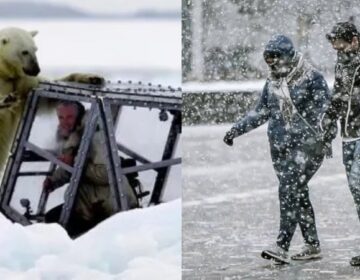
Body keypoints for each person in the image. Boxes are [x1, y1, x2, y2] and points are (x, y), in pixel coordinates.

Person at [223, 35, 336, 264]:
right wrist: (236, 130)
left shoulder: (312, 77)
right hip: (280, 148)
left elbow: (327, 112)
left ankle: (282, 246)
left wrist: (321, 136)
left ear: (289, 56)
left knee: (288, 191)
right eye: (268, 58)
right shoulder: (272, 82)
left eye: (276, 57)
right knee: (297, 192)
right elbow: (261, 112)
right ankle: (312, 245)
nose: (272, 63)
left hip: (307, 147)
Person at [43, 101, 138, 237]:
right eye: (61, 117)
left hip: (110, 206)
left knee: (58, 229)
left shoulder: (96, 136)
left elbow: (105, 174)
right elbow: (72, 169)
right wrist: (53, 181)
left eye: (69, 117)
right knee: (52, 221)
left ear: (79, 116)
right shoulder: (75, 136)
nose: (64, 122)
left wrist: (75, 162)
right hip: (89, 203)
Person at [323, 21, 360, 266]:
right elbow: (338, 95)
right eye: (335, 47)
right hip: (348, 134)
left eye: (341, 45)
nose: (338, 50)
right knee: (357, 192)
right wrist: (329, 119)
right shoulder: (342, 64)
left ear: (355, 39)